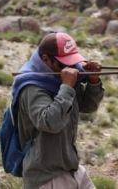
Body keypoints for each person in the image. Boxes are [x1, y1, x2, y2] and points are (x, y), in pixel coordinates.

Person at [11, 32, 104, 189]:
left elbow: (88, 106)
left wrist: (93, 82)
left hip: (71, 169)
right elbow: (50, 122)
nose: (70, 68)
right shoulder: (32, 87)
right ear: (46, 59)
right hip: (47, 177)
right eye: (63, 63)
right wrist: (67, 87)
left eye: (72, 62)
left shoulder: (61, 78)